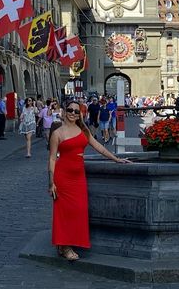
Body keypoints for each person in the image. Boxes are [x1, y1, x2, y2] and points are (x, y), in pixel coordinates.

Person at [48, 100, 131, 261]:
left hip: (78, 177)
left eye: (76, 111)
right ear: (64, 112)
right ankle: (65, 247)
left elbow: (98, 147)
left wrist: (116, 159)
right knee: (64, 212)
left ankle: (63, 243)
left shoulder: (83, 129)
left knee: (79, 209)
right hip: (63, 176)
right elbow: (52, 158)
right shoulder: (57, 133)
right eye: (70, 110)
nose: (73, 113)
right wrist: (51, 182)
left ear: (80, 114)